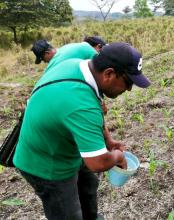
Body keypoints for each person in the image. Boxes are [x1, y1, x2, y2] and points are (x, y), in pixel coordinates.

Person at [13, 42, 151, 219]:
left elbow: (94, 106)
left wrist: (108, 141)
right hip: (45, 163)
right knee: (67, 213)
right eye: (128, 82)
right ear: (109, 73)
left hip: (62, 141)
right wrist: (119, 156)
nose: (129, 89)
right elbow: (98, 163)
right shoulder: (82, 105)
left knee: (88, 185)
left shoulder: (79, 59)